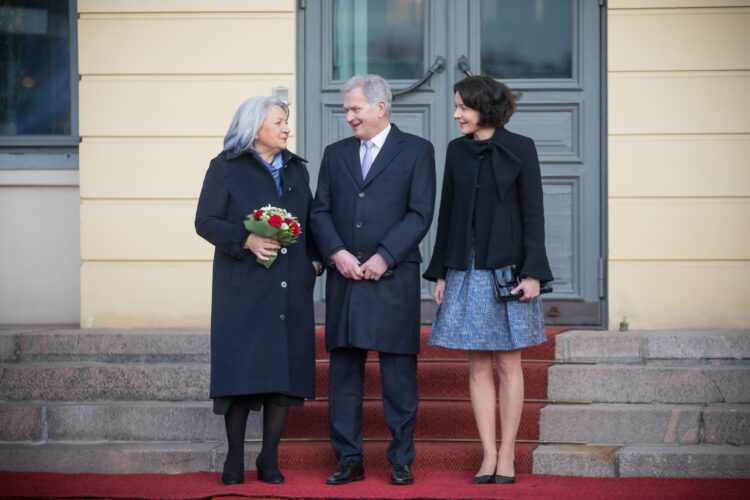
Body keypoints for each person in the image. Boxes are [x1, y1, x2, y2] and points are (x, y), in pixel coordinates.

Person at [423, 76, 553, 485]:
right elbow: (447, 213)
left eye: (463, 106)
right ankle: (488, 454)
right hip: (465, 267)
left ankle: (510, 453)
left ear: (486, 107)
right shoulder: (455, 151)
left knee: (509, 363)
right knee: (477, 364)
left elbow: (533, 213)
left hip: (508, 270)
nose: (457, 113)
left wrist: (534, 272)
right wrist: (441, 270)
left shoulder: (521, 148)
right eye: (456, 106)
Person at [310, 74, 436, 486]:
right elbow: (320, 211)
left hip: (393, 278)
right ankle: (349, 459)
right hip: (345, 278)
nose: (348, 117)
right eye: (346, 109)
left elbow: (419, 213)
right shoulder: (335, 154)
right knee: (344, 374)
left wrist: (385, 255)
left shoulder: (417, 150)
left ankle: (401, 459)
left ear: (380, 107)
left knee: (399, 375)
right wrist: (336, 252)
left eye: (355, 109)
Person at [195, 96, 320, 485]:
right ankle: (234, 458)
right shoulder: (226, 167)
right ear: (254, 127)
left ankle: (269, 459)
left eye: (287, 122)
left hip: (289, 287)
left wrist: (314, 263)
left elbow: (313, 222)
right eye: (279, 122)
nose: (287, 128)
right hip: (242, 288)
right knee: (240, 372)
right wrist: (245, 239)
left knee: (283, 375)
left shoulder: (297, 170)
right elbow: (206, 221)